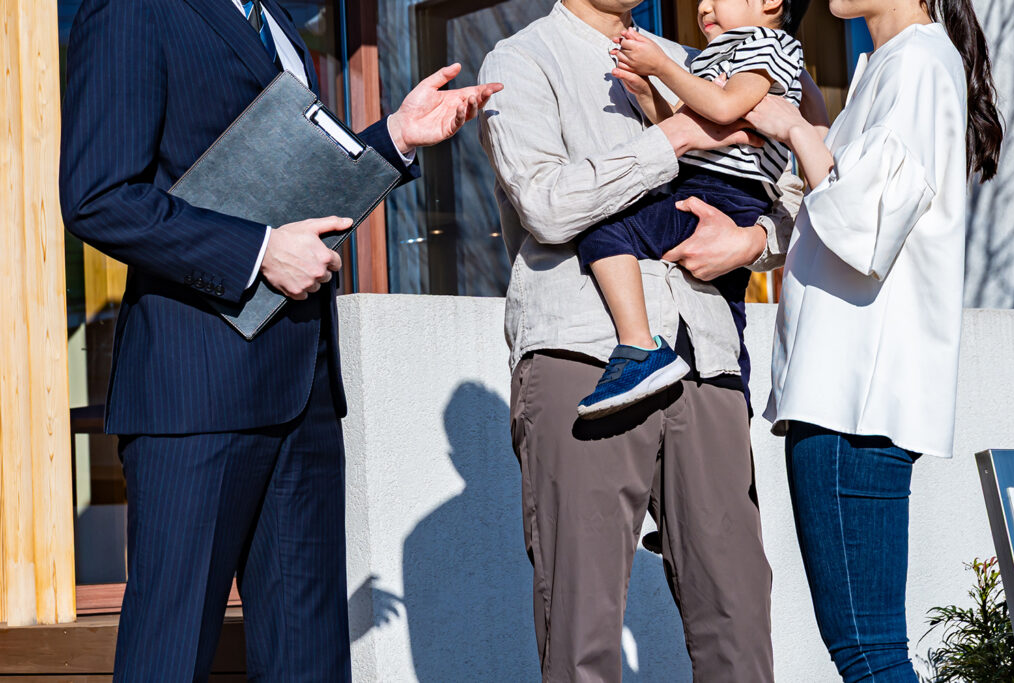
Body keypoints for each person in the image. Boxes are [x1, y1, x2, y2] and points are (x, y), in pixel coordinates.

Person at [59, 0, 500, 680]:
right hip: (194, 394)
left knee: (310, 662)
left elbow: (290, 183)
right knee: (167, 657)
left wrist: (394, 138)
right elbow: (99, 195)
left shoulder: (280, 23)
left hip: (305, 390)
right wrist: (258, 253)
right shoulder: (131, 10)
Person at [478, 0, 827, 680]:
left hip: (708, 359)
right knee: (584, 631)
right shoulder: (522, 58)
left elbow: (795, 189)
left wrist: (754, 241)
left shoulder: (702, 59)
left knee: (739, 619)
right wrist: (676, 139)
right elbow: (546, 206)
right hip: (585, 355)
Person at [745, 0, 1002, 678]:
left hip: (851, 398)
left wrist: (792, 127)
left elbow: (867, 225)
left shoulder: (916, 62)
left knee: (868, 651)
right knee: (871, 647)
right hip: (850, 396)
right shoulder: (892, 64)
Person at [575, 0, 809, 419]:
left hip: (728, 191)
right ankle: (734, 404)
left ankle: (639, 348)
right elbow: (687, 126)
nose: (704, 5)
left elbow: (723, 109)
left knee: (602, 227)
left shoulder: (768, 43)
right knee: (724, 301)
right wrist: (647, 92)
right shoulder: (717, 54)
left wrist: (663, 67)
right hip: (708, 185)